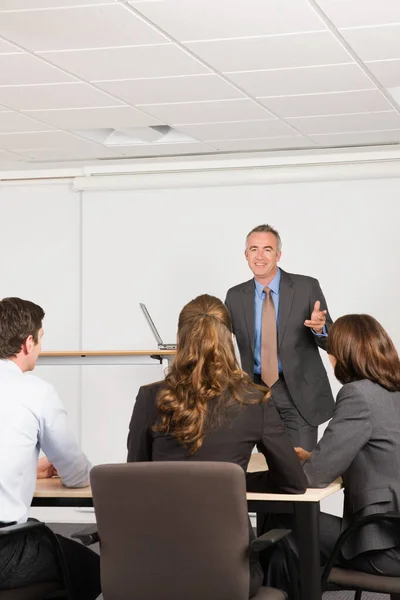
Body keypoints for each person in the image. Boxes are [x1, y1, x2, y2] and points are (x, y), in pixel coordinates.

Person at [127, 294, 307, 598]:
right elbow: (293, 483)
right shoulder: (254, 400)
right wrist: (236, 482)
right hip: (228, 570)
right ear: (230, 338)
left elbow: (136, 480)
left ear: (180, 339)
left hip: (155, 566)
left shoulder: (150, 398)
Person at [0, 297, 101, 600]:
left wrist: (31, 467)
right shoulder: (37, 393)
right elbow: (76, 474)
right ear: (28, 342)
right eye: (41, 339)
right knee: (93, 571)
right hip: (7, 550)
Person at [295, 314, 400, 577]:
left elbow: (314, 476)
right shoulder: (394, 392)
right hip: (394, 533)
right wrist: (315, 455)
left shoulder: (357, 395)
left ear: (341, 356)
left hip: (385, 546)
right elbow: (382, 455)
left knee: (284, 523)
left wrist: (298, 463)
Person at [225, 223, 334, 450]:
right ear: (246, 255)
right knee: (267, 466)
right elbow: (222, 342)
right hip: (255, 393)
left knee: (302, 468)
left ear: (279, 255)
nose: (260, 256)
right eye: (254, 249)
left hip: (297, 393)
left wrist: (319, 328)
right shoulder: (235, 296)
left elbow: (332, 340)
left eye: (267, 249)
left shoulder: (306, 287)